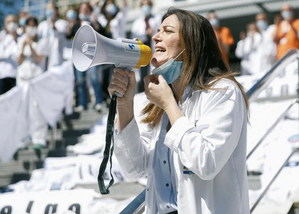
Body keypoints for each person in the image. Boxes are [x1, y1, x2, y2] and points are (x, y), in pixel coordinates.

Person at [109, 8, 249, 214]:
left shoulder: (224, 92)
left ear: (191, 44)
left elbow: (206, 162)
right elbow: (133, 169)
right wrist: (125, 105)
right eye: (157, 31)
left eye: (167, 31)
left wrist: (169, 106)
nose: (155, 37)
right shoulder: (160, 101)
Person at [131, 0, 161, 92]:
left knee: (156, 76)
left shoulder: (157, 18)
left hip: (154, 51)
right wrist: (145, 34)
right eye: (143, 5)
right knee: (143, 76)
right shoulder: (137, 23)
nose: (145, 7)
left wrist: (153, 32)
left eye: (147, 5)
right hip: (143, 53)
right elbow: (134, 38)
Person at [0, 15, 19, 95]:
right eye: (9, 22)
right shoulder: (1, 37)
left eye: (13, 22)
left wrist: (15, 38)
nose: (11, 24)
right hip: (2, 76)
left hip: (16, 76)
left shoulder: (22, 37)